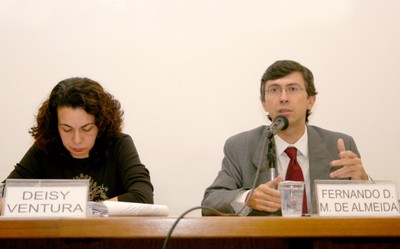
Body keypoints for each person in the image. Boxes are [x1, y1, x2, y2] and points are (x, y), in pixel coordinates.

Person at [201, 60, 369, 216]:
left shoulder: (339, 146)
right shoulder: (240, 147)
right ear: (264, 103)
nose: (283, 98)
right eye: (274, 90)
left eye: (293, 89)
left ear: (311, 100)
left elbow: (370, 210)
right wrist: (247, 199)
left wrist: (362, 182)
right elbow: (211, 201)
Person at [4, 77, 154, 204]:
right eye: (66, 129)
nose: (76, 140)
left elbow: (143, 196)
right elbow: (4, 192)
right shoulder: (45, 147)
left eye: (87, 129)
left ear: (101, 124)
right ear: (54, 126)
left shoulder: (119, 145)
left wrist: (84, 210)